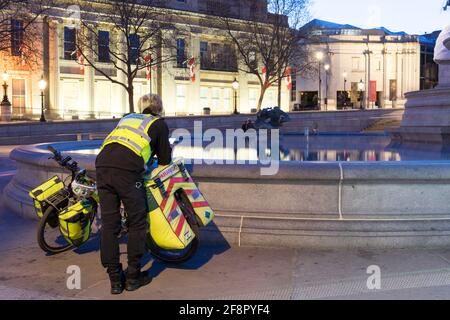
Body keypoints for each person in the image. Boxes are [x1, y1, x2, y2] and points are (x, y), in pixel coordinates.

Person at [95, 94, 172, 294]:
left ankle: (115, 280)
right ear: (159, 108)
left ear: (140, 107)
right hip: (128, 171)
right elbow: (165, 160)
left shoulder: (128, 117)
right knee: (137, 222)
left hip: (102, 165)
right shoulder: (159, 124)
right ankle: (133, 276)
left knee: (110, 225)